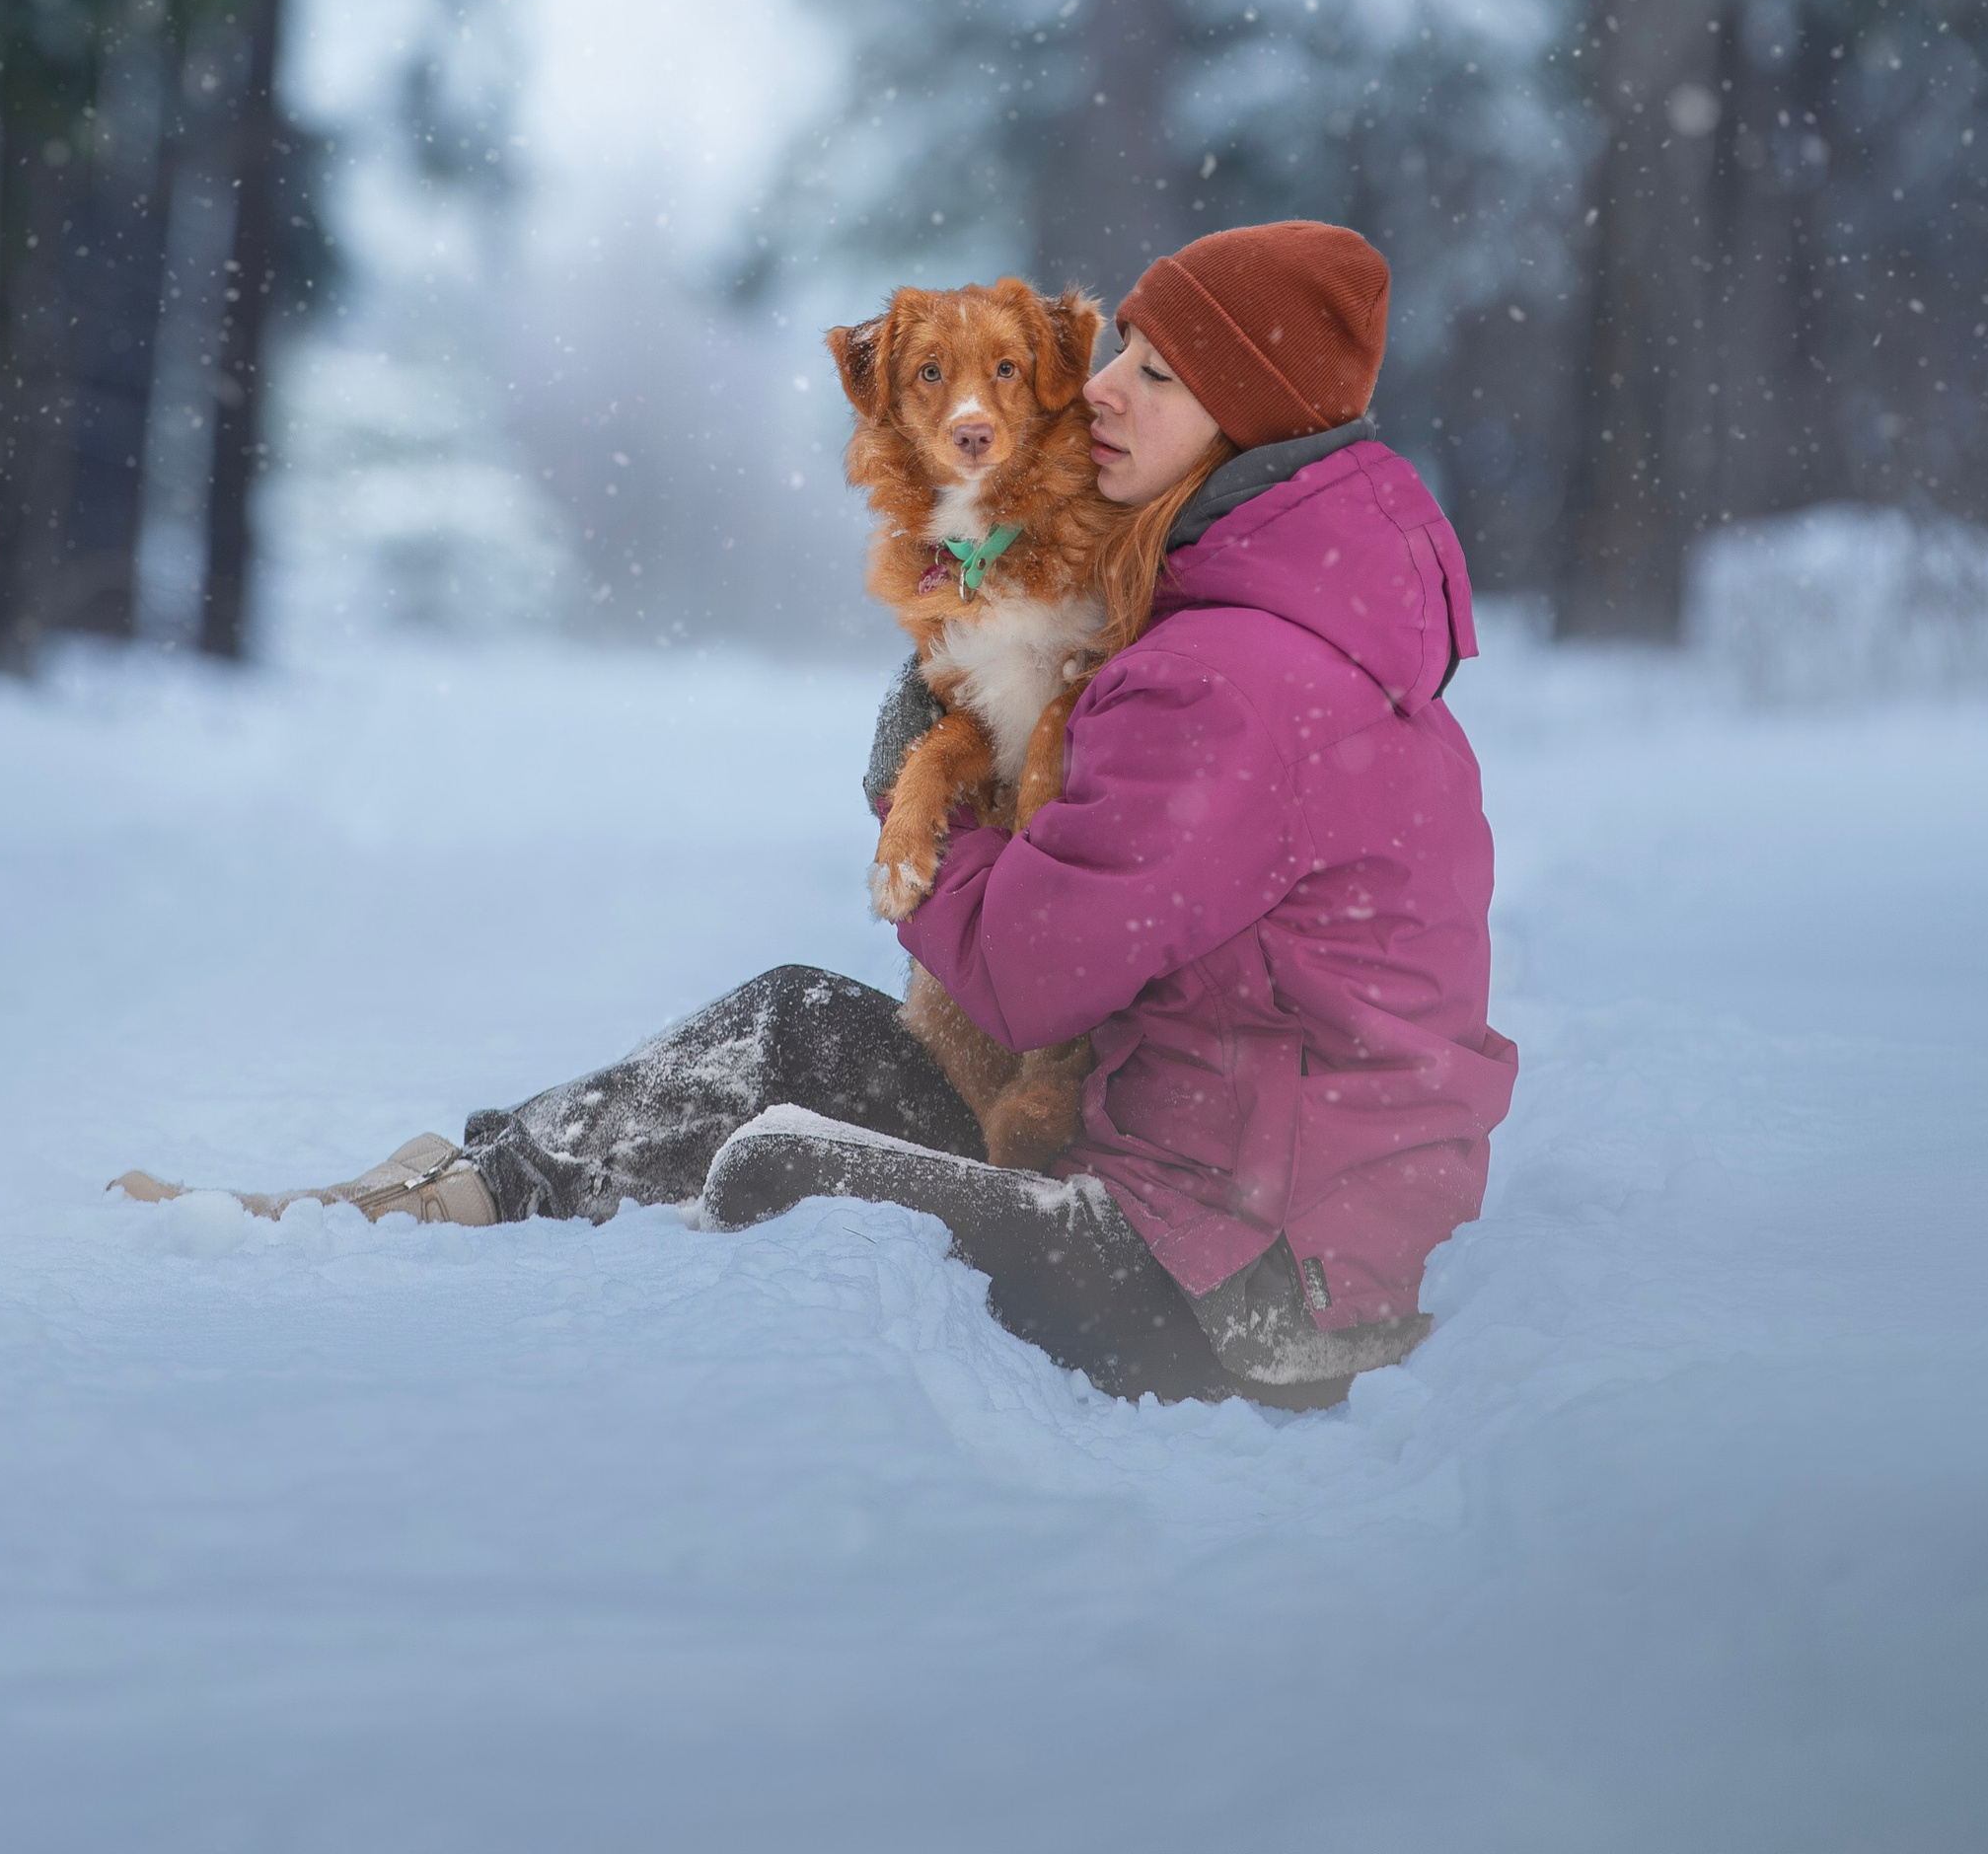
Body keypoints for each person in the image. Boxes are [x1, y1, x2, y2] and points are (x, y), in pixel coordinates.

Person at [115, 222, 1517, 1409]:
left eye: (1163, 373)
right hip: (1266, 1220)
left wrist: (923, 791)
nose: (1104, 390)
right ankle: (463, 1192)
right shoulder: (1301, 631)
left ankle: (540, 1322)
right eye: (1123, 348)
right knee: (798, 1024)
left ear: (1254, 423)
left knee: (776, 1162)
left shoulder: (1239, 676)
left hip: (1237, 1289)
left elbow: (1031, 975)